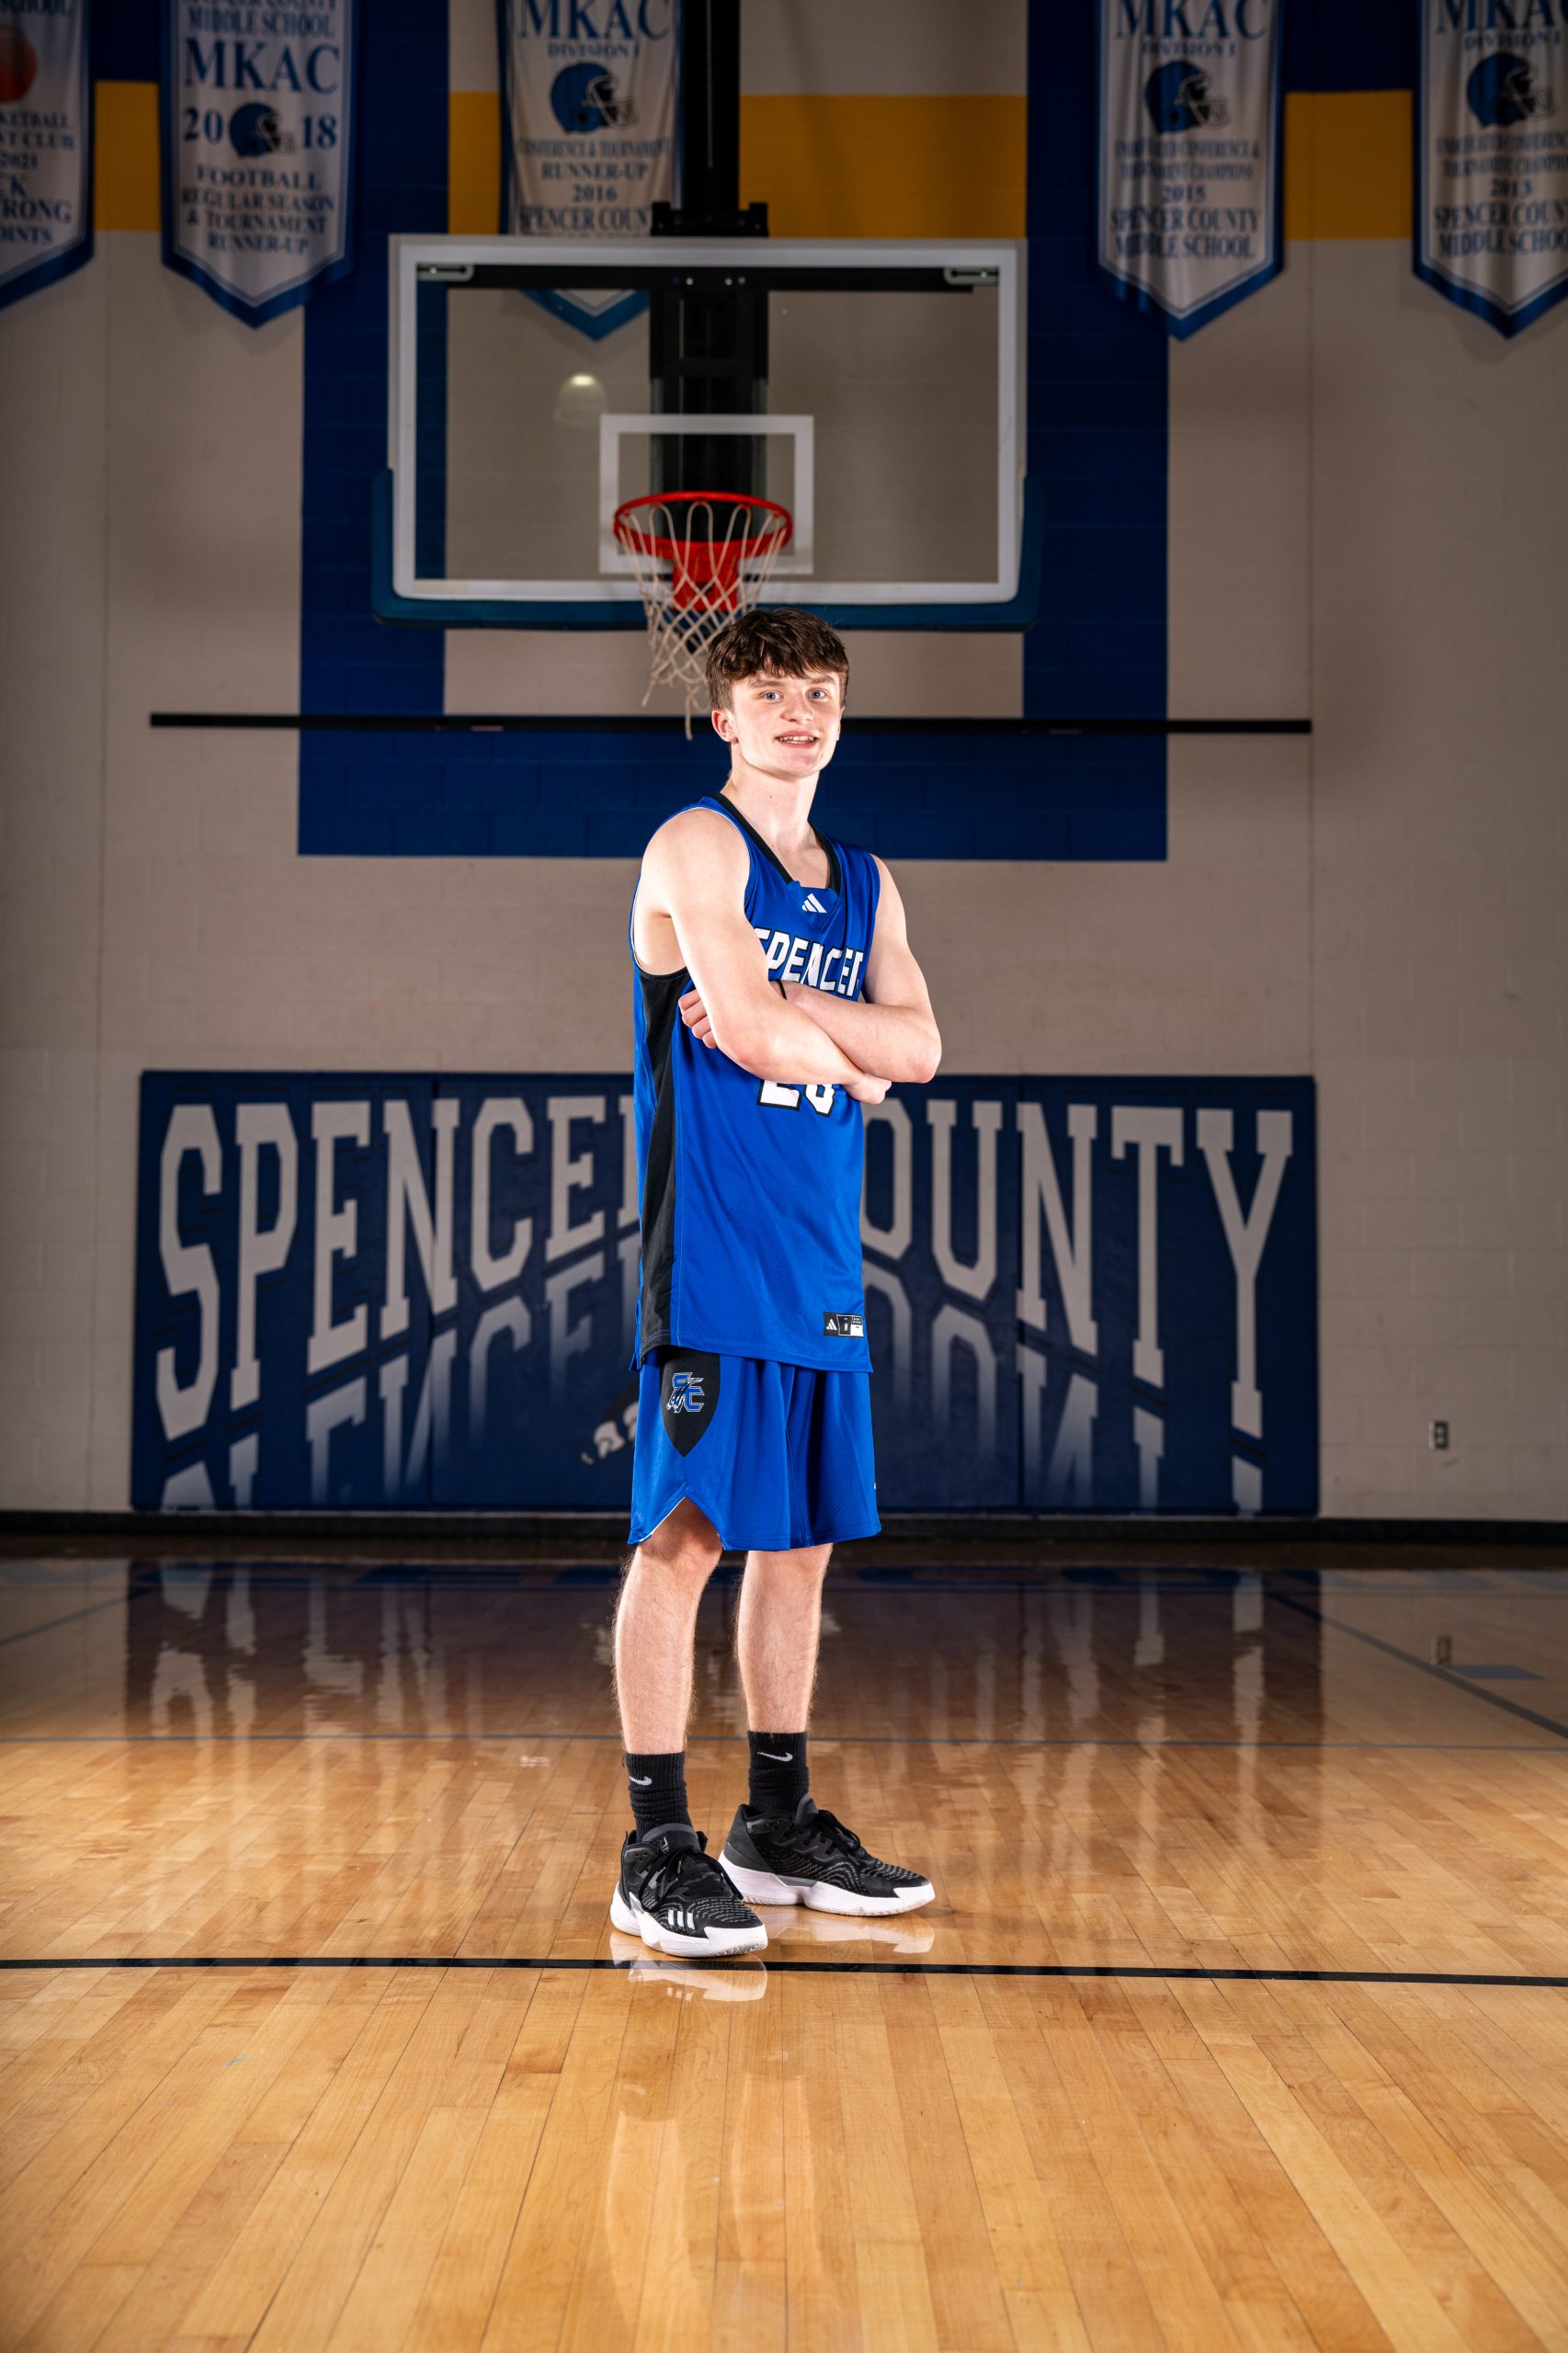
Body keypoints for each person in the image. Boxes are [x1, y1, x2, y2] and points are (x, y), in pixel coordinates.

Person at [610, 606, 942, 1959]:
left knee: (799, 1543)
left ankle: (778, 1822)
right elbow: (741, 1030)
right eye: (771, 693)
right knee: (686, 1538)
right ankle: (654, 1844)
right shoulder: (695, 845)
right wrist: (855, 1057)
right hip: (710, 1254)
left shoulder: (867, 880)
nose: (798, 714)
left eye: (818, 694)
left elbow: (921, 1050)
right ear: (724, 717)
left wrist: (840, 1047)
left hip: (818, 1257)